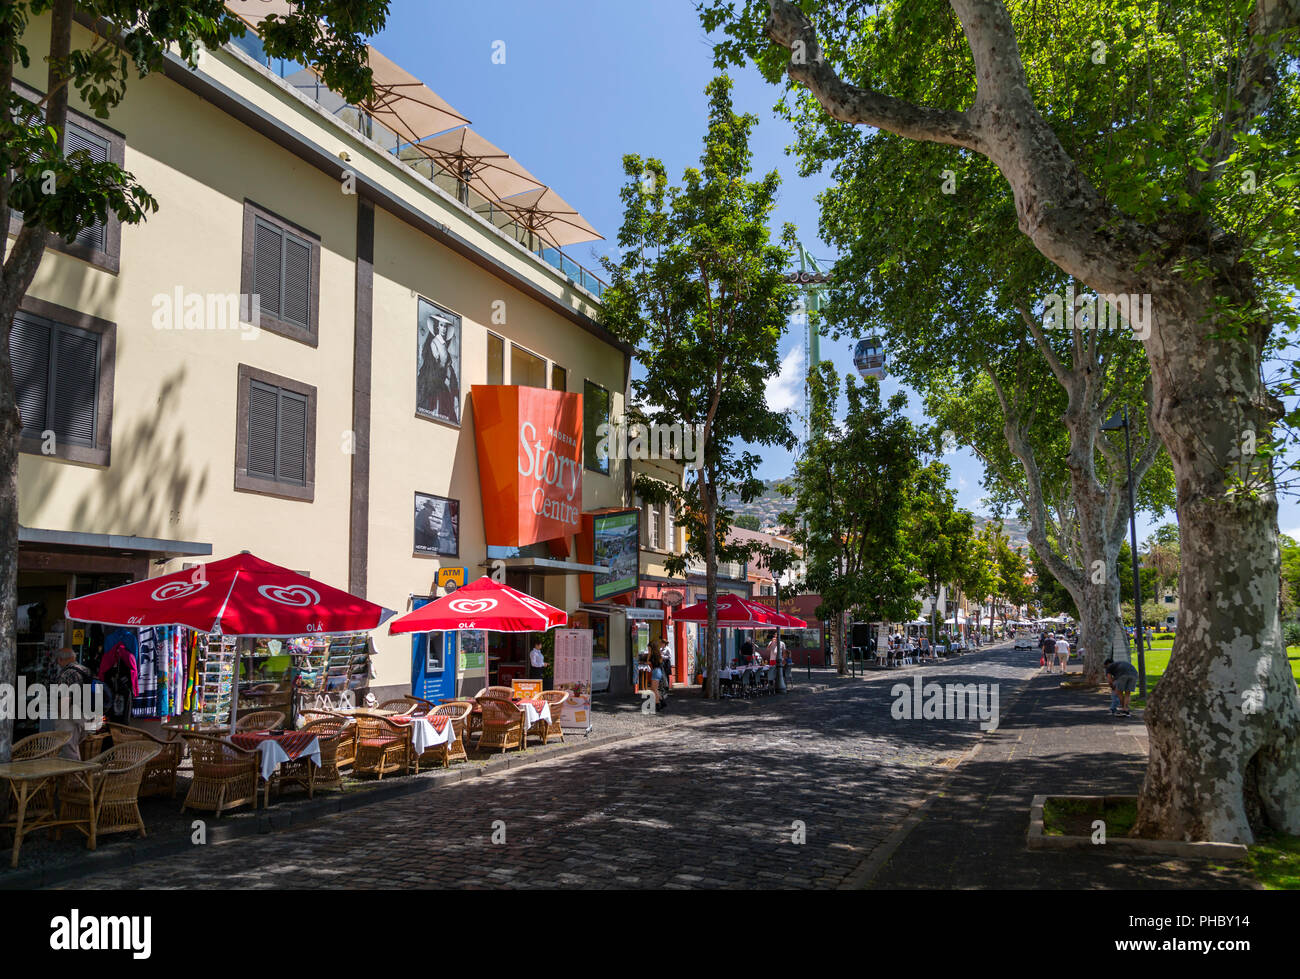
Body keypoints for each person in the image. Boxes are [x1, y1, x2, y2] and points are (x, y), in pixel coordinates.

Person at [52, 648, 97, 760]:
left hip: (71, 714)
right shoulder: (86, 670)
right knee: (74, 745)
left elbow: (64, 700)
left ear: (60, 660)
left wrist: (60, 713)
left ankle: (74, 776)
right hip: (87, 713)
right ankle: (76, 774)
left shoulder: (66, 674)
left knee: (67, 748)